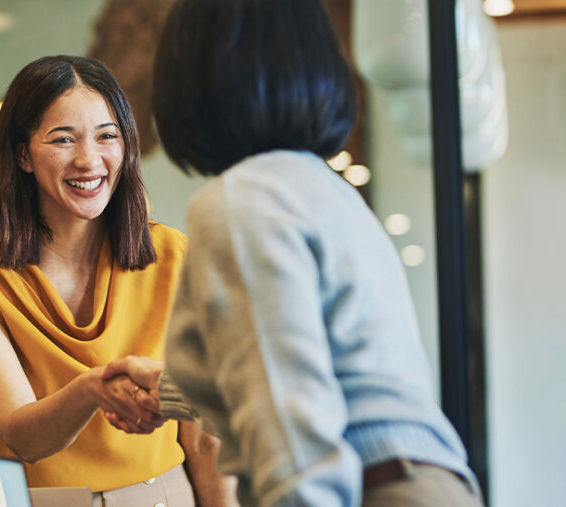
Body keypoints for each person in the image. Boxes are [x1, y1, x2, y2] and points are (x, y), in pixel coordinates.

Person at [103, 0, 485, 505]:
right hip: (424, 481)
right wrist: (171, 390)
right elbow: (324, 373)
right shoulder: (324, 190)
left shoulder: (241, 203)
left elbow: (291, 431)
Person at [0, 55, 231, 506]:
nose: (89, 159)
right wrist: (94, 388)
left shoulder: (176, 256)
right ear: (22, 154)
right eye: (63, 139)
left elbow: (206, 437)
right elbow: (23, 436)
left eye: (106, 136)